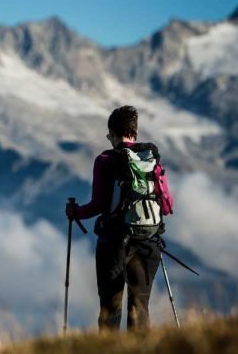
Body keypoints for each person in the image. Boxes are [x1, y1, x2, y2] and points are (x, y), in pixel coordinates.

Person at [66, 106, 161, 331]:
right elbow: (167, 202)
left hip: (114, 244)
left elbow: (98, 204)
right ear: (134, 131)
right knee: (140, 308)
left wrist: (75, 212)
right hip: (147, 241)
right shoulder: (150, 158)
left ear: (113, 133)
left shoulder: (106, 159)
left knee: (111, 308)